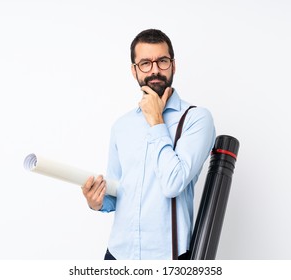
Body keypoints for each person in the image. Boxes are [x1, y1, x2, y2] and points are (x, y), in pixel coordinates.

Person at [82, 29, 215, 260]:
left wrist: (156, 120)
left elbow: (173, 183)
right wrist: (97, 201)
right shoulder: (121, 126)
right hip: (118, 254)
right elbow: (117, 192)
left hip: (168, 258)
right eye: (145, 63)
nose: (154, 70)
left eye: (162, 61)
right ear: (134, 71)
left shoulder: (196, 119)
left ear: (173, 66)